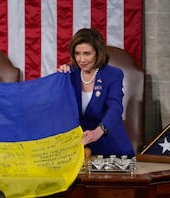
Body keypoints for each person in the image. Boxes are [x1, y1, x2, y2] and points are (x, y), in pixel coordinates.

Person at [57, 28, 134, 157]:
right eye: (77, 54)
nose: (81, 59)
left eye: (87, 54)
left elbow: (115, 108)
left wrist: (98, 132)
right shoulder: (69, 74)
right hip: (79, 146)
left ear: (98, 53)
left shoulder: (113, 75)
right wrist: (59, 79)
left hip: (109, 144)